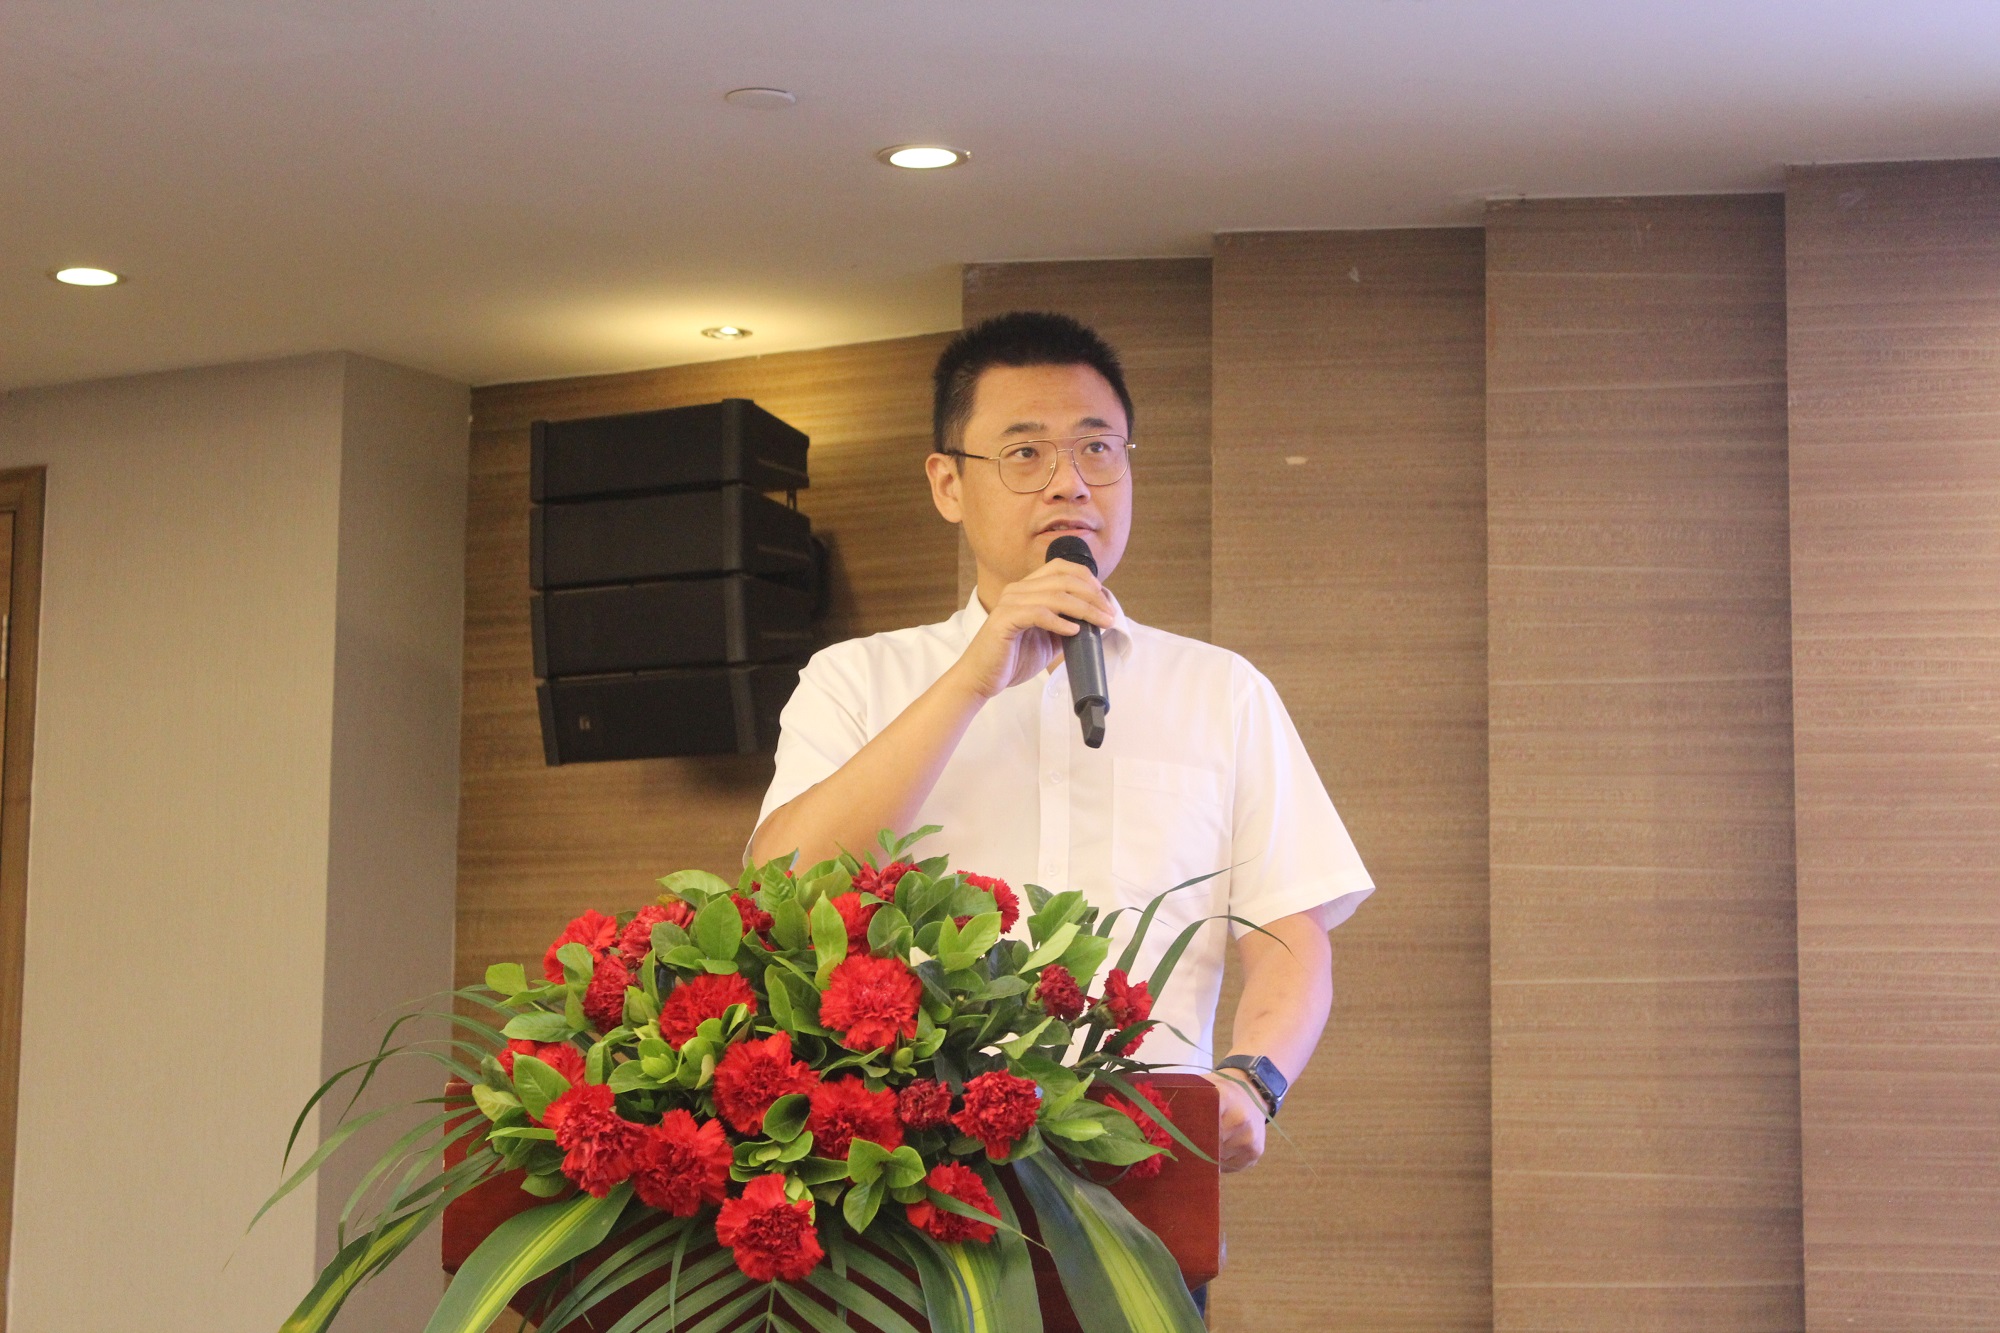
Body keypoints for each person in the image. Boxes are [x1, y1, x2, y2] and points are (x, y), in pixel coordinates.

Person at [749, 310, 1373, 1175]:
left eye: (1097, 449)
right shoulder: (855, 679)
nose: (1070, 483)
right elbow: (781, 889)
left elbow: (1288, 929)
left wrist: (1252, 1078)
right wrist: (971, 681)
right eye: (1025, 452)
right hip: (903, 1176)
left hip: (1138, 1170)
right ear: (948, 483)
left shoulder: (1222, 691)